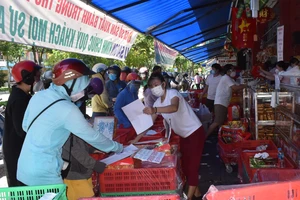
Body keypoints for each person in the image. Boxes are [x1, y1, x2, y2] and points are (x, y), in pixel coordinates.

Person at [17, 58, 123, 186]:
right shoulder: (67, 109)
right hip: (44, 170)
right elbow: (93, 137)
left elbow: (25, 126)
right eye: (83, 82)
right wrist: (118, 148)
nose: (84, 88)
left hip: (24, 165)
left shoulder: (39, 96)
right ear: (72, 82)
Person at [132, 73, 206, 200]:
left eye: (156, 85)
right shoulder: (157, 102)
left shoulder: (172, 93)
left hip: (194, 132)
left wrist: (155, 110)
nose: (154, 88)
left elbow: (174, 107)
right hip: (184, 135)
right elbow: (148, 124)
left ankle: (189, 197)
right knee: (185, 165)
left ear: (163, 84)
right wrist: (135, 140)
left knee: (192, 167)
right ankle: (197, 193)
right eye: (151, 86)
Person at [62, 78, 106, 200]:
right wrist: (95, 165)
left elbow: (78, 144)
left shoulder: (73, 115)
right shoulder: (68, 120)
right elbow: (74, 150)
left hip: (80, 172)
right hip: (74, 174)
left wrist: (91, 150)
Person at [3, 60, 42, 186]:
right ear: (27, 77)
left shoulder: (23, 95)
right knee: (21, 189)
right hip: (17, 151)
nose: (38, 79)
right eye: (36, 76)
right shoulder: (19, 100)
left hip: (19, 149)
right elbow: (22, 130)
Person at [206, 64, 247, 137]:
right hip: (220, 103)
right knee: (217, 122)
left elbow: (238, 85)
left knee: (221, 121)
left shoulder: (229, 79)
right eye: (233, 70)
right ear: (229, 71)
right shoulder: (226, 78)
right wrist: (247, 85)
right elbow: (235, 88)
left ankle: (220, 137)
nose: (234, 72)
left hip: (223, 103)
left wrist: (247, 84)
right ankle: (204, 137)